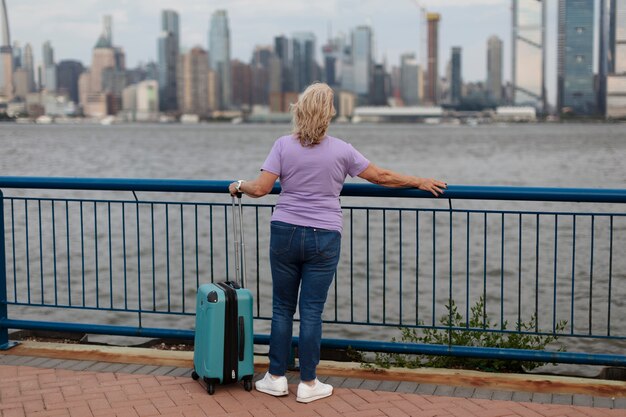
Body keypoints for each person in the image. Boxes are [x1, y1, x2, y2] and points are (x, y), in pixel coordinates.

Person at [228, 82, 446, 403]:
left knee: (282, 309)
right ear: (329, 114)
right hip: (324, 236)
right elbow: (381, 177)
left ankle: (275, 377)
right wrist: (420, 181)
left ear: (299, 111)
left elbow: (260, 188)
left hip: (285, 231)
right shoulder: (342, 150)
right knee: (311, 311)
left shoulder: (283, 146)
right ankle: (308, 383)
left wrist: (237, 184)